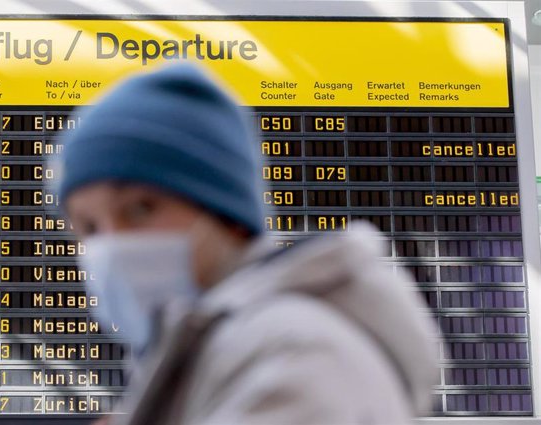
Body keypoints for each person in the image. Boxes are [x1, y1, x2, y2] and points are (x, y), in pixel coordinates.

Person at [57, 63, 440, 425]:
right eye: (89, 227)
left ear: (226, 215)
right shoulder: (228, 350)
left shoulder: (290, 350)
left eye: (140, 209)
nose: (113, 243)